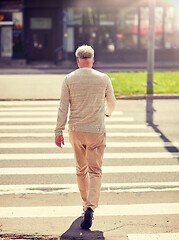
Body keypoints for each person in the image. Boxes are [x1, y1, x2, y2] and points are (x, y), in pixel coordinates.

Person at [55, 45, 116, 229]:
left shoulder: (69, 79)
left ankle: (84, 204)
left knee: (81, 169)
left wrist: (58, 131)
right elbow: (112, 102)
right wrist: (107, 112)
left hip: (76, 131)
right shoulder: (103, 78)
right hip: (96, 130)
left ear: (77, 60)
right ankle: (90, 207)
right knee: (95, 171)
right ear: (93, 60)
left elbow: (63, 107)